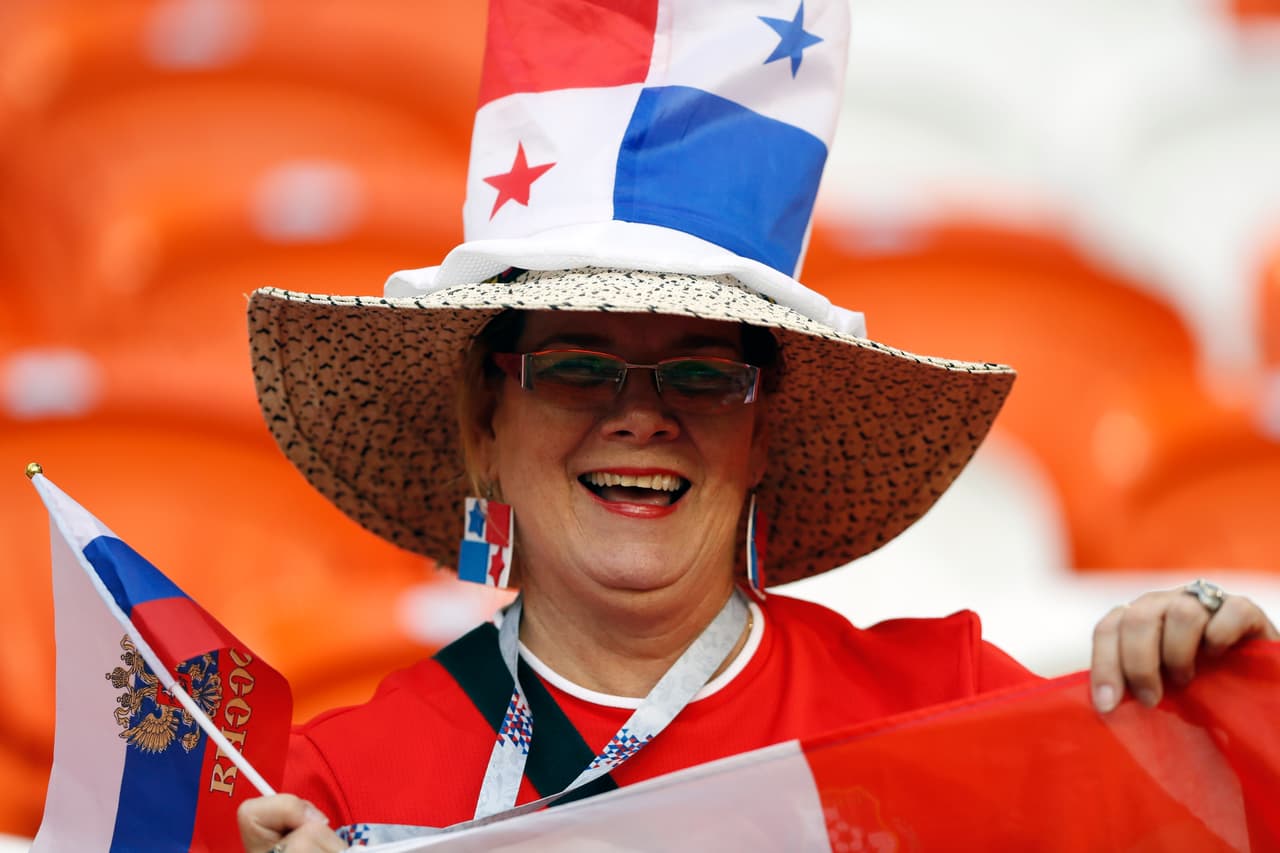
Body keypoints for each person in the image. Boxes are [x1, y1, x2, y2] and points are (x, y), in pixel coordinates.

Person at [237, 1, 1278, 850]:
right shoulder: (327, 797)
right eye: (574, 367)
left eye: (699, 371)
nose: (639, 413)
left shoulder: (951, 712)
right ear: (483, 422)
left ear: (764, 432)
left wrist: (1223, 706)